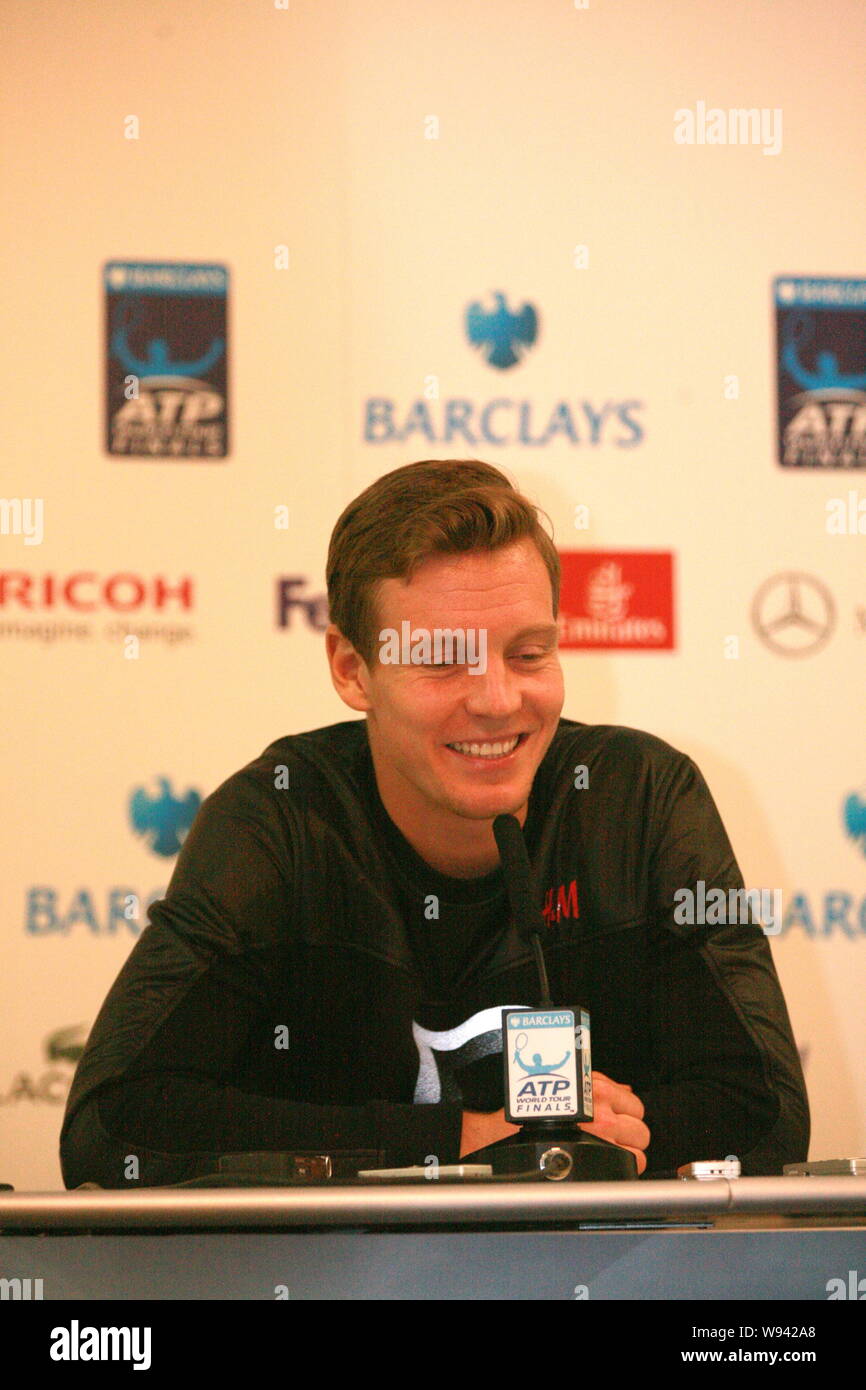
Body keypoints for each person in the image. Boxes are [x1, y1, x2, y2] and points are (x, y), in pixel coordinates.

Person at [60, 458, 809, 1188]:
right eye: (443, 662)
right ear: (353, 671)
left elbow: (764, 1111)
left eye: (527, 653)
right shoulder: (279, 821)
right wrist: (456, 1144)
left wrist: (592, 1141)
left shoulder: (639, 798)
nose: (495, 699)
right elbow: (114, 1128)